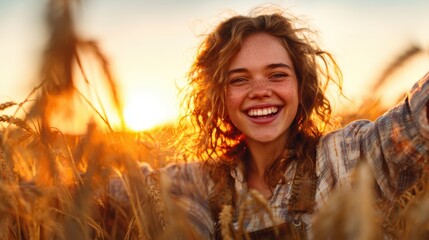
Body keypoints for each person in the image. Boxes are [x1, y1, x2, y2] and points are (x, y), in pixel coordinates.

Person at [110, 8, 429, 240]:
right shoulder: (198, 183)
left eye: (277, 74)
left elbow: (413, 122)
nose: (260, 91)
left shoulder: (343, 158)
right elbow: (111, 186)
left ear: (300, 86)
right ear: (219, 97)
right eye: (239, 79)